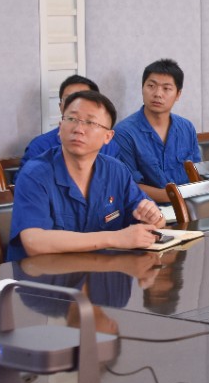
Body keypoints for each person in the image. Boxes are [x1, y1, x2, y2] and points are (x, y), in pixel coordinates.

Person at [9, 89, 164, 259]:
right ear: (60, 127)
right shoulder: (34, 174)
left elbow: (152, 217)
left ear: (108, 136)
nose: (78, 129)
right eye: (71, 119)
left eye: (90, 122)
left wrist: (153, 217)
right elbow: (34, 242)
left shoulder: (116, 171)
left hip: (103, 271)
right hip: (45, 274)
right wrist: (114, 238)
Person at [106, 58, 200, 203]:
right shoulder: (124, 132)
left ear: (178, 94)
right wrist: (175, 197)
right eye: (151, 86)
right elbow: (127, 185)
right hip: (146, 208)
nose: (157, 94)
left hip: (189, 205)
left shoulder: (187, 128)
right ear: (142, 88)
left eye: (166, 88)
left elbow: (196, 172)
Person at [22, 75, 100, 163]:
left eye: (83, 99)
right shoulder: (39, 147)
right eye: (69, 99)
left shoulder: (108, 144)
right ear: (60, 106)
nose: (76, 105)